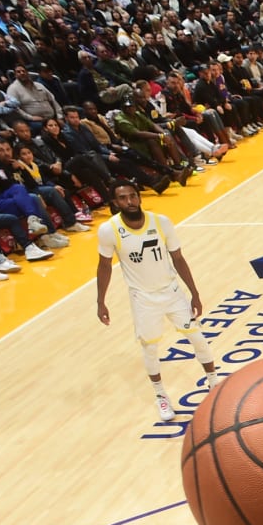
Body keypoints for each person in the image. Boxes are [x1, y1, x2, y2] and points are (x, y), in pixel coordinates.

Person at [94, 181, 222, 423]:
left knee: (196, 336)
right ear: (115, 203)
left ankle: (214, 381)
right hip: (143, 298)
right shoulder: (109, 230)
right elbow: (104, 267)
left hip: (172, 292)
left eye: (133, 195)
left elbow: (178, 257)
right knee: (150, 348)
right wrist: (101, 302)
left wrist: (194, 292)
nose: (130, 201)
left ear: (139, 197)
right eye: (123, 198)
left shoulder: (161, 222)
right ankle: (161, 395)